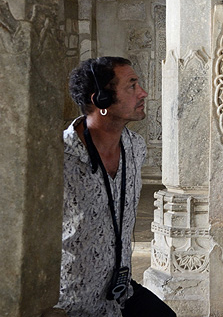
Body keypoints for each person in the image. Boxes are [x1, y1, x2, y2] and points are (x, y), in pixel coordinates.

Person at [57, 57, 175, 317]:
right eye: (132, 86)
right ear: (100, 100)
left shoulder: (135, 148)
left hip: (118, 292)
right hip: (72, 299)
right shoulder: (58, 156)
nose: (143, 93)